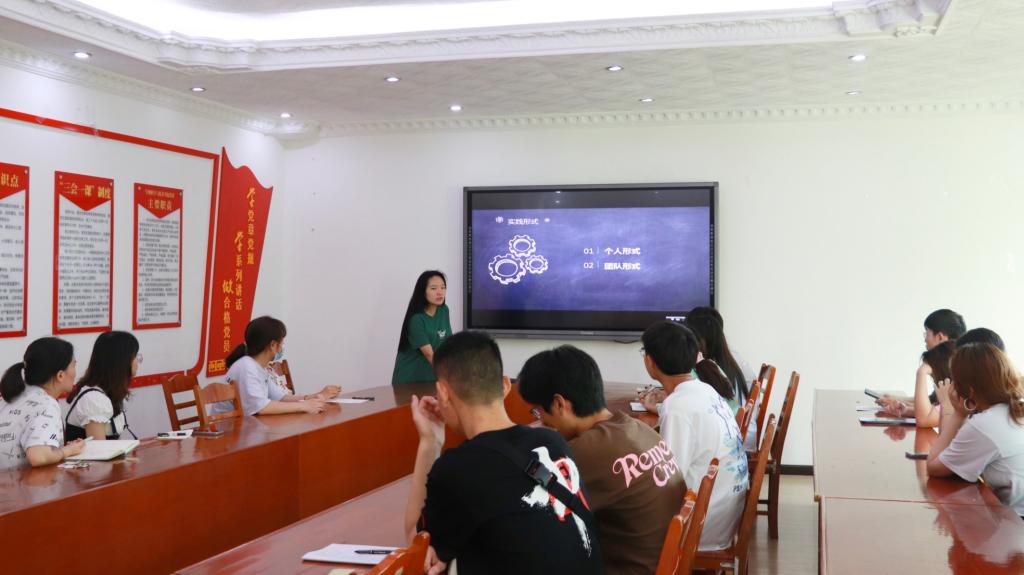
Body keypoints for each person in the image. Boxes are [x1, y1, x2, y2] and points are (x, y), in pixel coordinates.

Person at [404, 331, 604, 575]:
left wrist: (430, 441)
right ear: (505, 385)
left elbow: (416, 546)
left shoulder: (457, 469)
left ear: (443, 392)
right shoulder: (552, 441)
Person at [517, 344, 684, 575]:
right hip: (664, 564)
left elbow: (526, 504)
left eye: (539, 412)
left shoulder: (584, 452)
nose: (542, 421)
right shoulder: (638, 429)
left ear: (559, 404)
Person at [639, 320, 748, 551]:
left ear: (650, 361)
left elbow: (668, 480)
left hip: (702, 525)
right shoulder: (706, 390)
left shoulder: (677, 407)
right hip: (724, 515)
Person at [927, 343, 1024, 516]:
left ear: (968, 390)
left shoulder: (985, 424)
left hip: (1016, 522)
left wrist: (957, 414)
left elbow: (934, 467)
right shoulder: (1012, 409)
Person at [217, 316, 340, 416]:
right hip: (228, 431)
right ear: (273, 345)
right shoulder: (247, 367)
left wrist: (314, 397)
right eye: (281, 343)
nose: (281, 348)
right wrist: (303, 406)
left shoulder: (259, 367)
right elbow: (261, 408)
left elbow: (280, 397)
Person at [0, 337, 85, 470]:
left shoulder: (16, 394)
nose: (75, 372)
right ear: (60, 375)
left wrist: (60, 448)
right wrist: (69, 450)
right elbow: (38, 456)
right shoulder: (46, 404)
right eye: (74, 365)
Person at [877, 308, 968, 414]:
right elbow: (933, 403)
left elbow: (930, 413)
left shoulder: (955, 370)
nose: (925, 339)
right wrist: (899, 402)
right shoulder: (950, 364)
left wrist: (922, 371)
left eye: (927, 333)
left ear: (940, 337)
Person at [65, 331, 141, 441]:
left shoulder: (110, 392)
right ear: (122, 361)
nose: (138, 361)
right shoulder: (93, 399)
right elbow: (99, 448)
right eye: (135, 356)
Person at [392, 270, 452, 385]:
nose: (440, 292)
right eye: (433, 288)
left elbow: (447, 344)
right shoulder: (416, 319)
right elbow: (429, 355)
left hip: (431, 378)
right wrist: (451, 376)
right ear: (422, 292)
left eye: (443, 287)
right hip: (409, 381)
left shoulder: (444, 310)